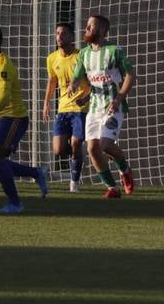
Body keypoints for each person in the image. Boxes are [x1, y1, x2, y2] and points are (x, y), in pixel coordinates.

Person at [0, 26, 48, 214]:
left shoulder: (2, 64)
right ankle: (35, 173)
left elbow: (4, 97)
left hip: (15, 118)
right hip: (6, 118)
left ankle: (15, 203)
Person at [67, 14, 136, 199]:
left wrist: (118, 99)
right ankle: (112, 188)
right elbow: (79, 77)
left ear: (103, 31)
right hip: (94, 109)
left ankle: (124, 169)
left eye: (91, 26)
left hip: (114, 107)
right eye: (87, 25)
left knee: (104, 144)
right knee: (91, 148)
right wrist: (74, 85)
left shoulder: (115, 51)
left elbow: (130, 76)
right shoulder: (84, 54)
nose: (87, 29)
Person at [41, 21, 87, 193]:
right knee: (59, 149)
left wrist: (86, 97)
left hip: (80, 107)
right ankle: (76, 155)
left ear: (71, 37)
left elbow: (91, 80)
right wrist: (46, 103)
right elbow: (52, 81)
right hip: (63, 108)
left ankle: (74, 182)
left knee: (75, 142)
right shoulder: (52, 58)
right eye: (57, 33)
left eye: (63, 33)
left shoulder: (81, 56)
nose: (59, 37)